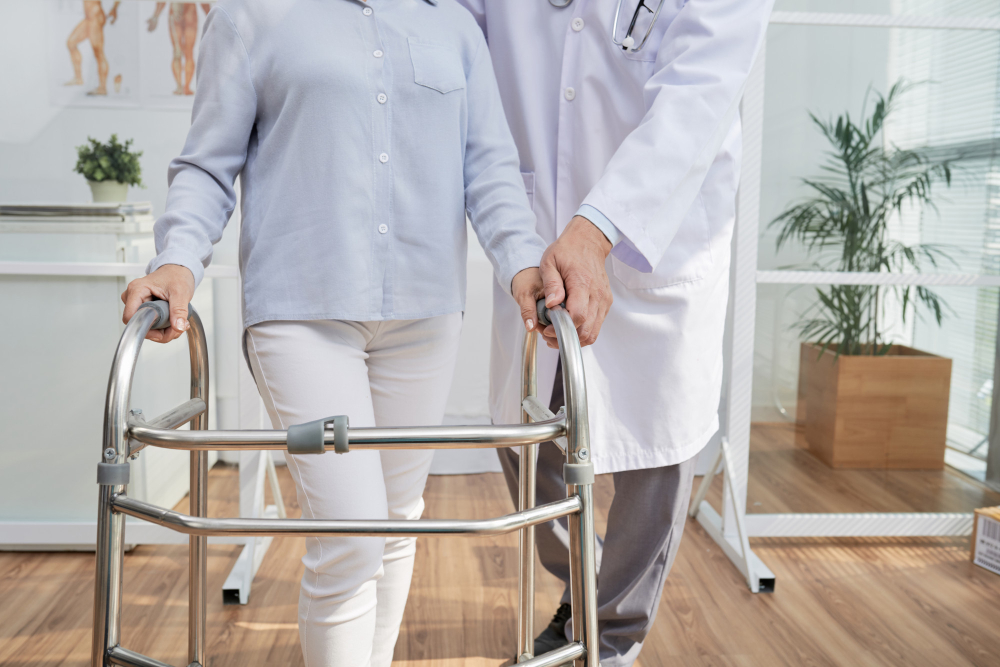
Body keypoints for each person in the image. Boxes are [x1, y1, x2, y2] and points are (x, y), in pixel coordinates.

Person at [119, 1, 561, 665]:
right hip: (301, 314)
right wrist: (177, 261)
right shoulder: (251, 17)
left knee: (394, 522)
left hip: (424, 314)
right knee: (350, 534)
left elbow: (490, 169)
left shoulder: (455, 26)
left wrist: (523, 262)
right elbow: (208, 165)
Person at [456, 1, 774, 665]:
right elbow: (457, 31)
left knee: (658, 451)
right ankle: (581, 585)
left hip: (660, 225)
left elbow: (700, 90)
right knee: (523, 437)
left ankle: (613, 636)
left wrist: (600, 224)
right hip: (538, 212)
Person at [146, 3, 212, 96]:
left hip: (185, 10)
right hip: (182, 10)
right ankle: (183, 87)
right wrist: (155, 16)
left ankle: (184, 87)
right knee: (180, 52)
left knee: (185, 52)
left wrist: (156, 16)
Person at [65, 1, 120, 96]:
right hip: (89, 18)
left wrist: (114, 9)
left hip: (95, 17)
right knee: (71, 43)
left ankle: (102, 88)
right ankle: (78, 78)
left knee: (98, 52)